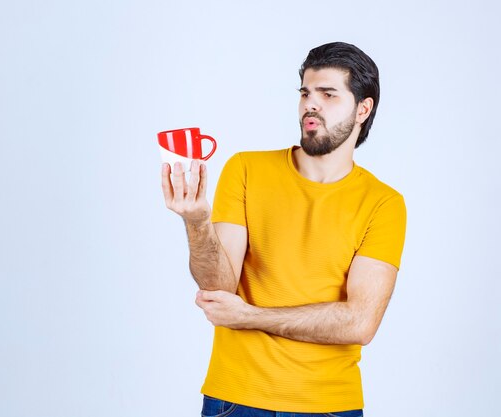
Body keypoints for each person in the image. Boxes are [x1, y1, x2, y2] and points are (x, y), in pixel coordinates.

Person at [161, 42, 407, 417]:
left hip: (328, 406)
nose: (312, 104)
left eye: (328, 94)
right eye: (306, 93)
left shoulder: (383, 203)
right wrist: (196, 221)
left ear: (363, 108)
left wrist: (249, 317)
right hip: (235, 399)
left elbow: (359, 322)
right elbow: (219, 289)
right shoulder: (245, 169)